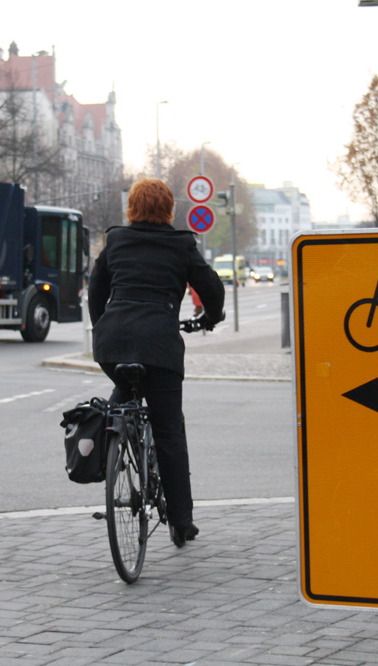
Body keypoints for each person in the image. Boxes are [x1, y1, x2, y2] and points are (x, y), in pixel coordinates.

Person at [88, 178, 225, 547]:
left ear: (131, 208)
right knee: (168, 431)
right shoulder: (181, 244)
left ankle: (115, 435)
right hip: (160, 348)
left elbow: (96, 290)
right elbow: (211, 287)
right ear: (169, 210)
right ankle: (181, 521)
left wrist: (102, 328)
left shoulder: (116, 240)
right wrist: (212, 317)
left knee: (123, 389)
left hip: (113, 344)